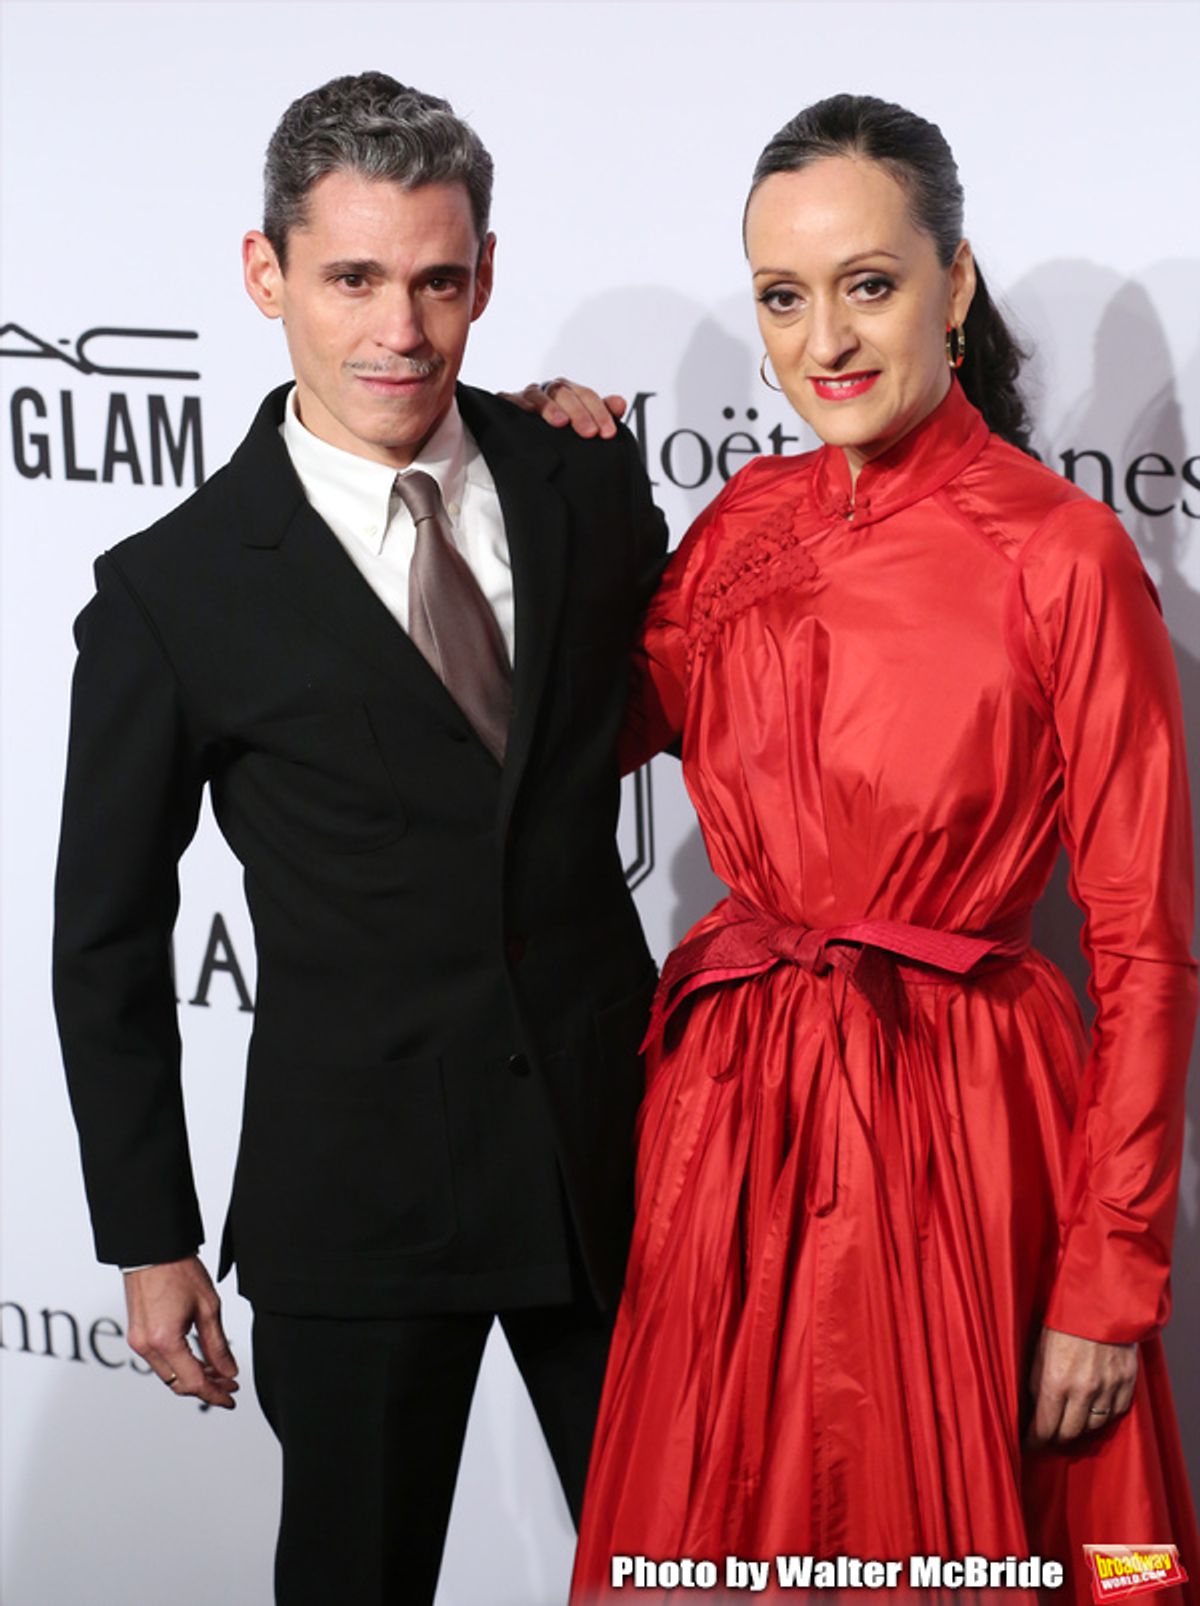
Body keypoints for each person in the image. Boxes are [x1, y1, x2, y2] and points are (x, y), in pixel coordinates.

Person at [546, 94, 1199, 1604]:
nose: (825, 341)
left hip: (964, 1130)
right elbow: (596, 725)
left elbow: (1146, 949)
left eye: (869, 284)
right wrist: (548, 481)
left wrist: (1108, 1276)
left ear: (953, 285)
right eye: (783, 297)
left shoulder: (1064, 554)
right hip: (737, 1135)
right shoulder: (743, 519)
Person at [51, 72, 665, 1606]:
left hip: (617, 1165)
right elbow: (107, 941)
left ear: (486, 275)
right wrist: (150, 1234)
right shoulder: (172, 591)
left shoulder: (585, 475)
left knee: (687, 1572)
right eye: (352, 278)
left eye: (438, 280)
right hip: (358, 1197)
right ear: (265, 275)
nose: (400, 328)